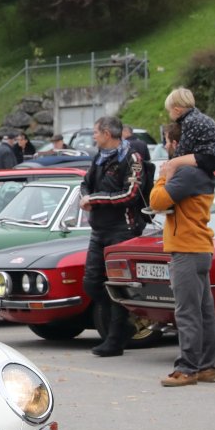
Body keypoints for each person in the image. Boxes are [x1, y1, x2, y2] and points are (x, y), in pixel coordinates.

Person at [151, 148, 215, 388]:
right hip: (200, 247)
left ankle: (187, 369)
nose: (168, 149)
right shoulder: (201, 172)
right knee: (204, 312)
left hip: (186, 248)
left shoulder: (186, 174)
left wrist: (163, 177)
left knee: (187, 312)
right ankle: (207, 367)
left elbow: (157, 201)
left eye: (169, 142)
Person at [79, 116, 146, 358]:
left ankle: (115, 339)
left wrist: (94, 200)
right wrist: (85, 197)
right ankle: (124, 324)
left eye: (96, 132)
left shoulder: (132, 158)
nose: (93, 136)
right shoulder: (98, 157)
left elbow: (130, 194)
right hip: (99, 230)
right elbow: (85, 183)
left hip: (122, 230)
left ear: (107, 133)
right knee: (92, 283)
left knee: (118, 284)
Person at [159, 87, 215, 188]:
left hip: (211, 156)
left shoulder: (190, 121)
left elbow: (183, 148)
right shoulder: (198, 116)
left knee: (173, 163)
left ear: (177, 110)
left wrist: (171, 162)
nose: (169, 115)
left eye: (169, 111)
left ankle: (167, 189)